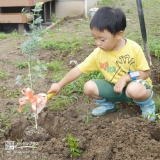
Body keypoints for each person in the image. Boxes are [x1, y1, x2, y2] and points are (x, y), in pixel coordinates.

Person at [48, 7, 156, 121]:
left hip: (136, 86)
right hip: (115, 88)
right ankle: (108, 105)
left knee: (134, 89)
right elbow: (78, 70)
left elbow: (145, 73)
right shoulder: (98, 53)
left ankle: (147, 105)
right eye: (95, 38)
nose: (98, 43)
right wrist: (59, 85)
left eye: (102, 39)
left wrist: (126, 78)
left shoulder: (133, 48)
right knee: (89, 87)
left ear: (119, 35)